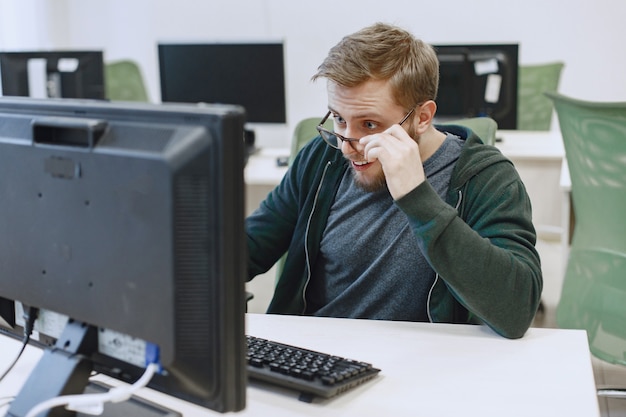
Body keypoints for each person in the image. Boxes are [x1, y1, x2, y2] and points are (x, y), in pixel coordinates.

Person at [246, 22, 542, 339]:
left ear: (423, 117)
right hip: (315, 359)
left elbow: (516, 311)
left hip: (418, 370)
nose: (347, 144)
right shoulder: (323, 159)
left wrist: (418, 198)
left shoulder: (485, 178)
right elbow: (252, 246)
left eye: (370, 124)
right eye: (339, 118)